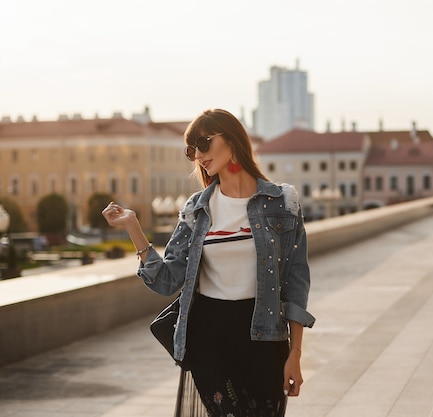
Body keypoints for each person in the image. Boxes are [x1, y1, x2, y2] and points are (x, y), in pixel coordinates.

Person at [102, 108, 315, 417]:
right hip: (209, 337)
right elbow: (166, 281)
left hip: (266, 337)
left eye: (203, 144)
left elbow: (296, 282)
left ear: (232, 140)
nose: (198, 155)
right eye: (191, 150)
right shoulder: (196, 209)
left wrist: (295, 352)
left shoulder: (283, 203)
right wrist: (133, 226)